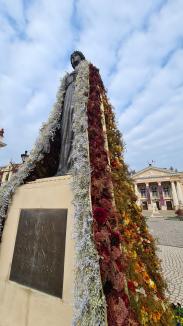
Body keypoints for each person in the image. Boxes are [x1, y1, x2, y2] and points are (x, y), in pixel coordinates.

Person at [56, 51, 85, 175]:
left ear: (81, 57)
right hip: (67, 103)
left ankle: (75, 166)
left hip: (79, 103)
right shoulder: (67, 77)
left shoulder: (87, 71)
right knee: (65, 134)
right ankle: (63, 167)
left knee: (76, 132)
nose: (73, 58)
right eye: (71, 57)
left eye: (75, 55)